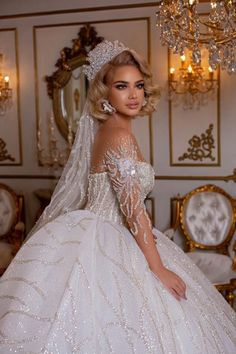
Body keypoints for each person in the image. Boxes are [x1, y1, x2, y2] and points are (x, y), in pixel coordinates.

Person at [0, 40, 235, 354]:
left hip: (107, 232)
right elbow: (133, 211)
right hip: (110, 234)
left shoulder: (109, 131)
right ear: (104, 92)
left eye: (138, 85)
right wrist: (158, 269)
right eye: (122, 86)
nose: (134, 94)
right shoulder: (118, 135)